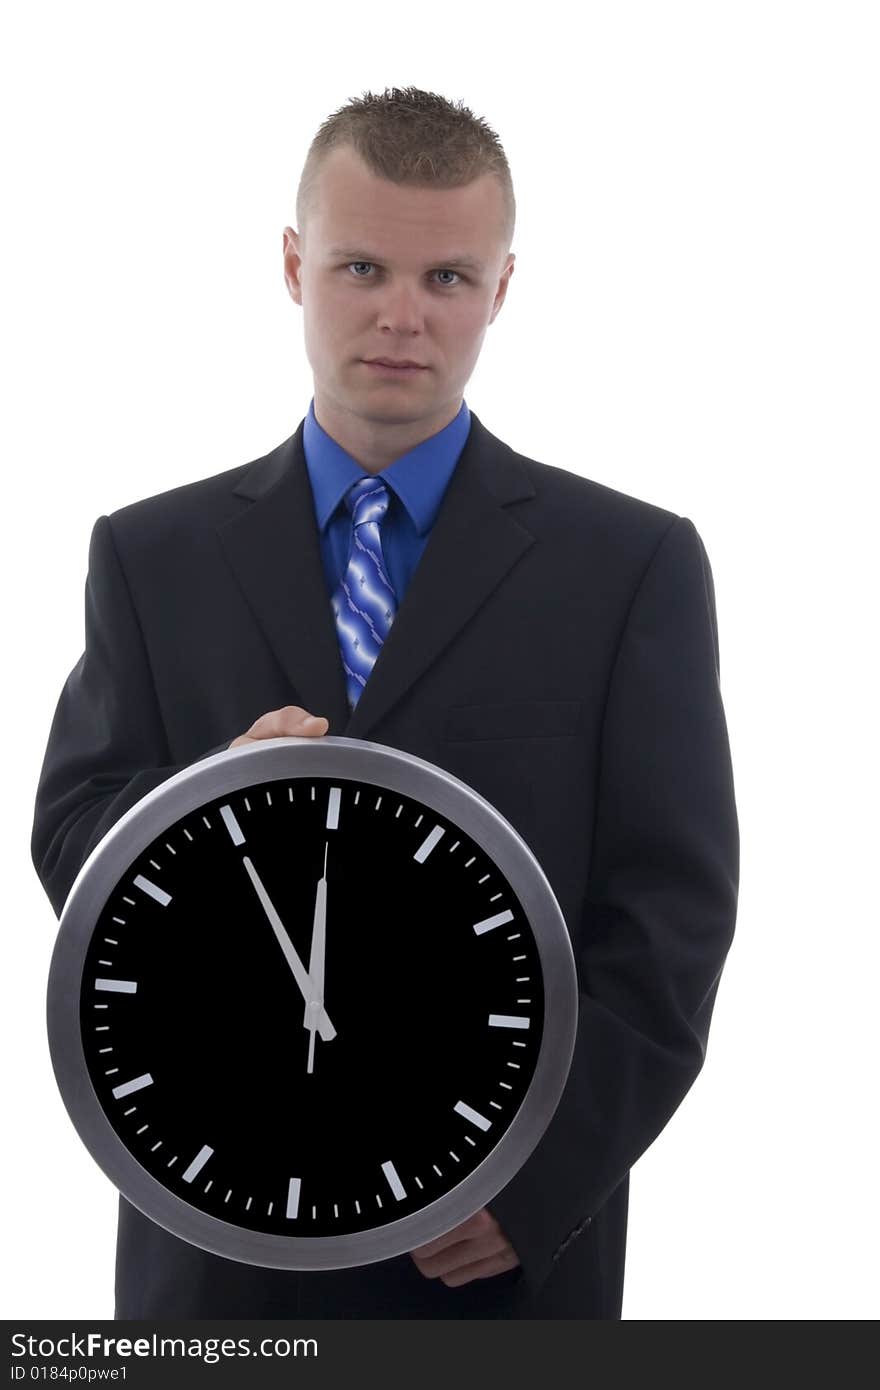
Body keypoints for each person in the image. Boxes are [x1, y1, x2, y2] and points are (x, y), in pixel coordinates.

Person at [30, 85, 739, 1320]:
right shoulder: (153, 553)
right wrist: (203, 804)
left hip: (492, 1249)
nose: (402, 316)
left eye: (448, 279)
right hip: (217, 1227)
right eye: (362, 266)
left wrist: (539, 1175)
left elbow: (672, 912)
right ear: (295, 264)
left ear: (502, 290)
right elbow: (74, 822)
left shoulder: (627, 565)